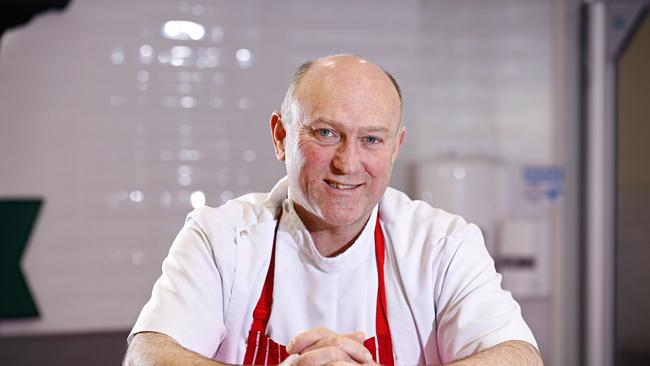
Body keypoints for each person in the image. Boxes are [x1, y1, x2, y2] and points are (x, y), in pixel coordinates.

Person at [124, 54, 543, 366]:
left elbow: (518, 355)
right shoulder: (221, 237)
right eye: (326, 133)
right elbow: (148, 355)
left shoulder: (443, 244)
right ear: (280, 136)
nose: (347, 163)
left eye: (372, 140)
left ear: (395, 148)